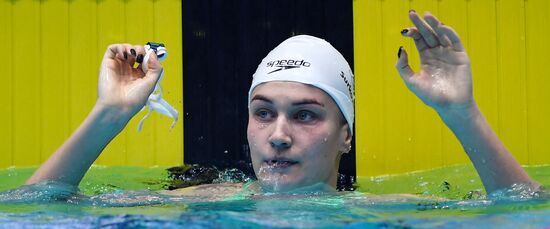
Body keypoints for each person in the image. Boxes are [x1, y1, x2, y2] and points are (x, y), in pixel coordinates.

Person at [24, 11, 540, 198]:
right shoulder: (196, 206)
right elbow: (34, 208)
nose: (278, 134)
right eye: (264, 111)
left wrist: (460, 114)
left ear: (347, 134)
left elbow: (522, 210)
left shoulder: (388, 213)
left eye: (307, 114)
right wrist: (110, 113)